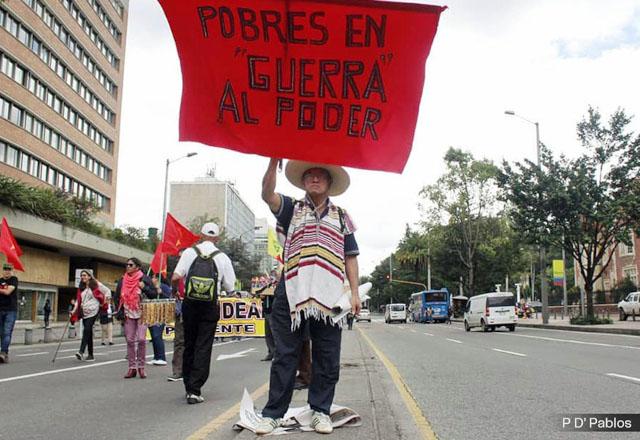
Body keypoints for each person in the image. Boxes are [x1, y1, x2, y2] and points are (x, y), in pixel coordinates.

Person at [256, 159, 360, 435]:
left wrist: (355, 292)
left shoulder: (341, 216)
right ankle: (273, 413)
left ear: (329, 183)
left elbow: (350, 256)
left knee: (327, 356)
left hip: (330, 295)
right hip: (291, 290)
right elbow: (267, 194)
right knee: (285, 355)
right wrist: (272, 162)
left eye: (320, 176)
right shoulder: (291, 209)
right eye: (309, 175)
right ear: (303, 182)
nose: (314, 179)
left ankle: (321, 411)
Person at [172, 222, 236, 404]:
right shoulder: (222, 257)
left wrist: (176, 290)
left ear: (200, 235)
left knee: (188, 343)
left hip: (190, 304)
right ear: (216, 238)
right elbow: (230, 287)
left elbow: (176, 277)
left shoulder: (189, 252)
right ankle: (195, 389)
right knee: (204, 345)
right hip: (209, 305)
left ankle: (187, 385)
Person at [114, 258, 155, 379]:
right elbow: (117, 296)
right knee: (130, 340)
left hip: (142, 313)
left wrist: (144, 288)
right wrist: (119, 310)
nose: (128, 266)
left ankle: (141, 367)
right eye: (127, 265)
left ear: (137, 267)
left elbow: (153, 295)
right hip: (128, 313)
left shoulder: (144, 279)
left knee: (142, 340)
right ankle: (132, 368)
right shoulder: (123, 280)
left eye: (130, 265)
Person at [71, 273, 106, 362]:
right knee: (88, 331)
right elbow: (78, 301)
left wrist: (104, 302)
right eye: (82, 275)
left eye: (85, 275)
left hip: (94, 311)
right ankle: (91, 355)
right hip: (85, 312)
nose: (83, 277)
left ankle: (81, 351)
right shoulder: (81, 288)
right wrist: (73, 310)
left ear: (89, 276)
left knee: (86, 329)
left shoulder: (96, 285)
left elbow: (106, 291)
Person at [147, 274, 171, 366]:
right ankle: (156, 357)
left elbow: (168, 298)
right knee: (153, 336)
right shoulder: (151, 287)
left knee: (157, 335)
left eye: (153, 277)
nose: (151, 279)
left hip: (161, 314)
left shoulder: (164, 287)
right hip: (152, 313)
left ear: (157, 279)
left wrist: (160, 292)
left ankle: (161, 357)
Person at [0, 264, 19, 364]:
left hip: (10, 310)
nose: (7, 271)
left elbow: (8, 292)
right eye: (5, 269)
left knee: (7, 332)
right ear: (2, 270)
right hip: (0, 309)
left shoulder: (14, 280)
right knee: (1, 333)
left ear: (12, 271)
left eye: (9, 270)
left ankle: (3, 353)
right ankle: (4, 353)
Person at [168, 277, 185, 382]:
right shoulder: (179, 276)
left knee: (195, 342)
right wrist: (174, 292)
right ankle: (178, 371)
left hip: (196, 310)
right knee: (179, 341)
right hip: (181, 312)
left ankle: (194, 370)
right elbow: (174, 281)